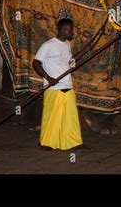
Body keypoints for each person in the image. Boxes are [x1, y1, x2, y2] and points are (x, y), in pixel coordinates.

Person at [32, 18, 91, 151]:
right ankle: (45, 142)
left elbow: (70, 62)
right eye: (70, 30)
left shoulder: (66, 44)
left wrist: (84, 51)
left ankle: (75, 142)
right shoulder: (48, 45)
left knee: (71, 117)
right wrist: (48, 77)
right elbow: (35, 63)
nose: (72, 32)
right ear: (62, 30)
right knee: (51, 116)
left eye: (72, 29)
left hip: (67, 85)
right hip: (53, 87)